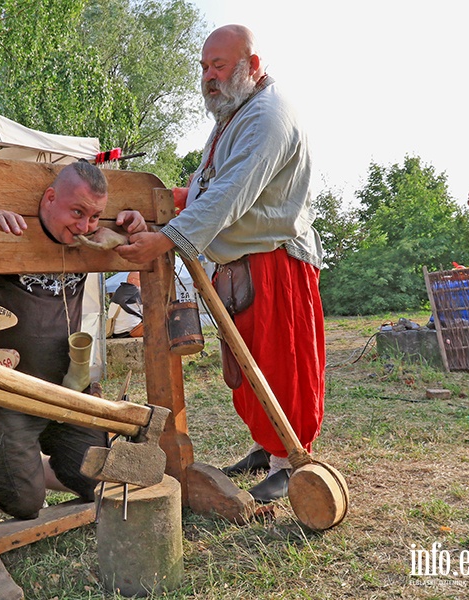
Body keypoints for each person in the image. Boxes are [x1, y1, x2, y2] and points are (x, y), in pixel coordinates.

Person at [116, 24, 326, 503]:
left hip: (275, 262)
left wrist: (165, 239)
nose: (210, 77)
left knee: (281, 364)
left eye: (221, 66)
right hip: (240, 264)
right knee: (247, 364)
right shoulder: (233, 115)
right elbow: (211, 185)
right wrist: (165, 202)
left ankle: (291, 461)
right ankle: (266, 445)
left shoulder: (269, 116)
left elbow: (231, 196)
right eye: (205, 67)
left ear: (252, 66)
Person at [0, 161, 146, 519]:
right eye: (77, 212)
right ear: (49, 198)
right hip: (6, 393)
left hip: (66, 387)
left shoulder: (89, 237)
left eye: (95, 217)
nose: (85, 227)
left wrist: (130, 229)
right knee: (21, 503)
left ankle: (28, 465)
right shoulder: (4, 229)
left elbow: (137, 237)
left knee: (96, 480)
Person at [106, 271, 144, 338]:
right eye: (140, 279)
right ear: (132, 280)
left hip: (115, 332)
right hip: (131, 331)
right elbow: (146, 312)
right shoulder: (137, 291)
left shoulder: (118, 292)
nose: (142, 283)